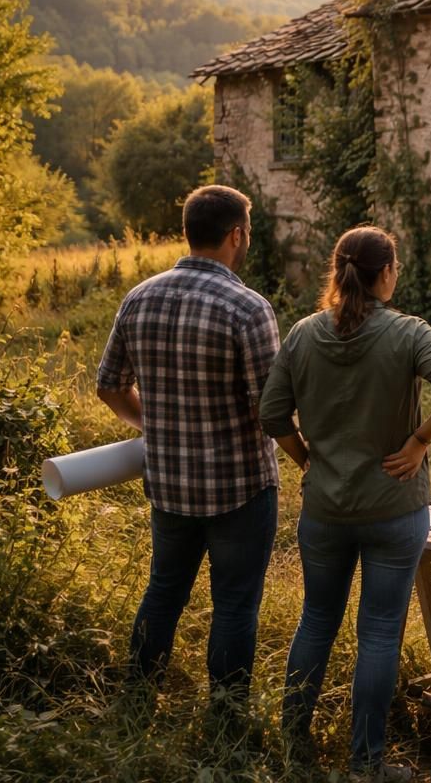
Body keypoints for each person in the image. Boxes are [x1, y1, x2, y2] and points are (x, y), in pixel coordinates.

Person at [261, 225, 431, 780]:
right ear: (386, 274)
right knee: (378, 631)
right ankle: (366, 763)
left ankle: (294, 748)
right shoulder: (408, 333)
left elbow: (271, 414)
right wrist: (418, 442)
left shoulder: (304, 334)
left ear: (336, 272)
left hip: (325, 510)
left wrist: (306, 457)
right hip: (394, 507)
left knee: (316, 622)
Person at [96, 185, 281, 725]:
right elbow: (269, 407)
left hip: (169, 485)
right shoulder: (248, 307)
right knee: (235, 605)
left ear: (187, 232)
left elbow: (109, 385)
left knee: (163, 592)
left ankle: (137, 703)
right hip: (239, 488)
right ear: (236, 235)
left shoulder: (139, 297)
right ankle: (224, 720)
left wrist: (152, 423)